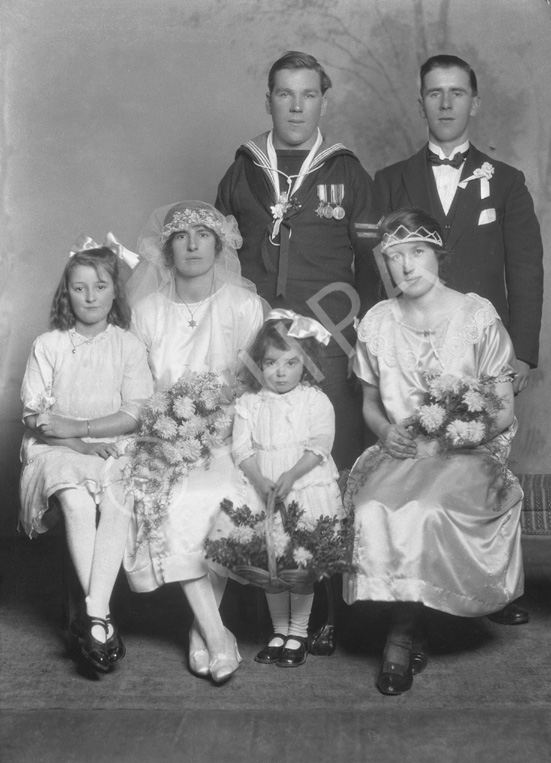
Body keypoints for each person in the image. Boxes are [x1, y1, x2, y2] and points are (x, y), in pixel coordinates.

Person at [374, 54, 543, 625]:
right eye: (433, 93)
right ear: (420, 101)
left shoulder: (508, 181)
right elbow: (372, 266)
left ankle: (489, 584)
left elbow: (526, 267)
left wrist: (521, 350)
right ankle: (408, 589)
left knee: (480, 462)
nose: (445, 103)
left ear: (474, 101)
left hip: (479, 347)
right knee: (419, 468)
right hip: (412, 340)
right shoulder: (390, 179)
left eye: (456, 93)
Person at [344, 208, 524, 695]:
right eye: (394, 257)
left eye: (417, 253)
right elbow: (368, 402)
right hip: (402, 450)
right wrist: (385, 431)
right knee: (372, 504)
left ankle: (402, 633)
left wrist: (453, 434)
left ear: (438, 255)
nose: (407, 267)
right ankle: (411, 614)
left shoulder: (475, 315)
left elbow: (502, 410)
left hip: (466, 450)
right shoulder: (379, 321)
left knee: (426, 508)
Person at [216, 51, 381, 470]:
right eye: (285, 94)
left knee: (331, 453)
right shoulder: (241, 171)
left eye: (308, 95)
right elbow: (220, 265)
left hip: (331, 338)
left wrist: (362, 339)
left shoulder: (350, 175)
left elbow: (372, 266)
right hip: (256, 338)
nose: (296, 106)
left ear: (323, 103)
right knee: (254, 452)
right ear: (267, 99)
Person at [123, 201, 264, 684]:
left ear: (219, 244)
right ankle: (214, 632)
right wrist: (169, 425)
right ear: (166, 249)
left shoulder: (244, 306)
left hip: (227, 437)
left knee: (216, 497)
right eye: (181, 237)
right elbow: (137, 390)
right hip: (161, 436)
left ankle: (202, 631)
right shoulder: (146, 311)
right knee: (170, 497)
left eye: (203, 235)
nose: (192, 245)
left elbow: (256, 385)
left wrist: (216, 423)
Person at [19, 243, 153, 673]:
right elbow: (38, 416)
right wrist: (76, 444)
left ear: (116, 292)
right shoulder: (49, 344)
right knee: (77, 500)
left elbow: (134, 413)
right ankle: (102, 618)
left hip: (113, 448)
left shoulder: (128, 346)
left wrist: (80, 429)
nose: (90, 296)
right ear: (67, 293)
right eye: (80, 288)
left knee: (116, 498)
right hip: (54, 452)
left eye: (100, 286)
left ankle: (95, 614)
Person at [232, 310, 345, 667]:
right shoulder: (249, 403)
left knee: (300, 567)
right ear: (258, 364)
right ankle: (279, 630)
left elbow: (320, 444)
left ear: (306, 364)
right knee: (272, 568)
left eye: (290, 363)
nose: (279, 373)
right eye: (270, 363)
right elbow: (241, 449)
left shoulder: (314, 400)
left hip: (303, 489)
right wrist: (259, 480)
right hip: (263, 491)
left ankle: (298, 632)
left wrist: (292, 475)